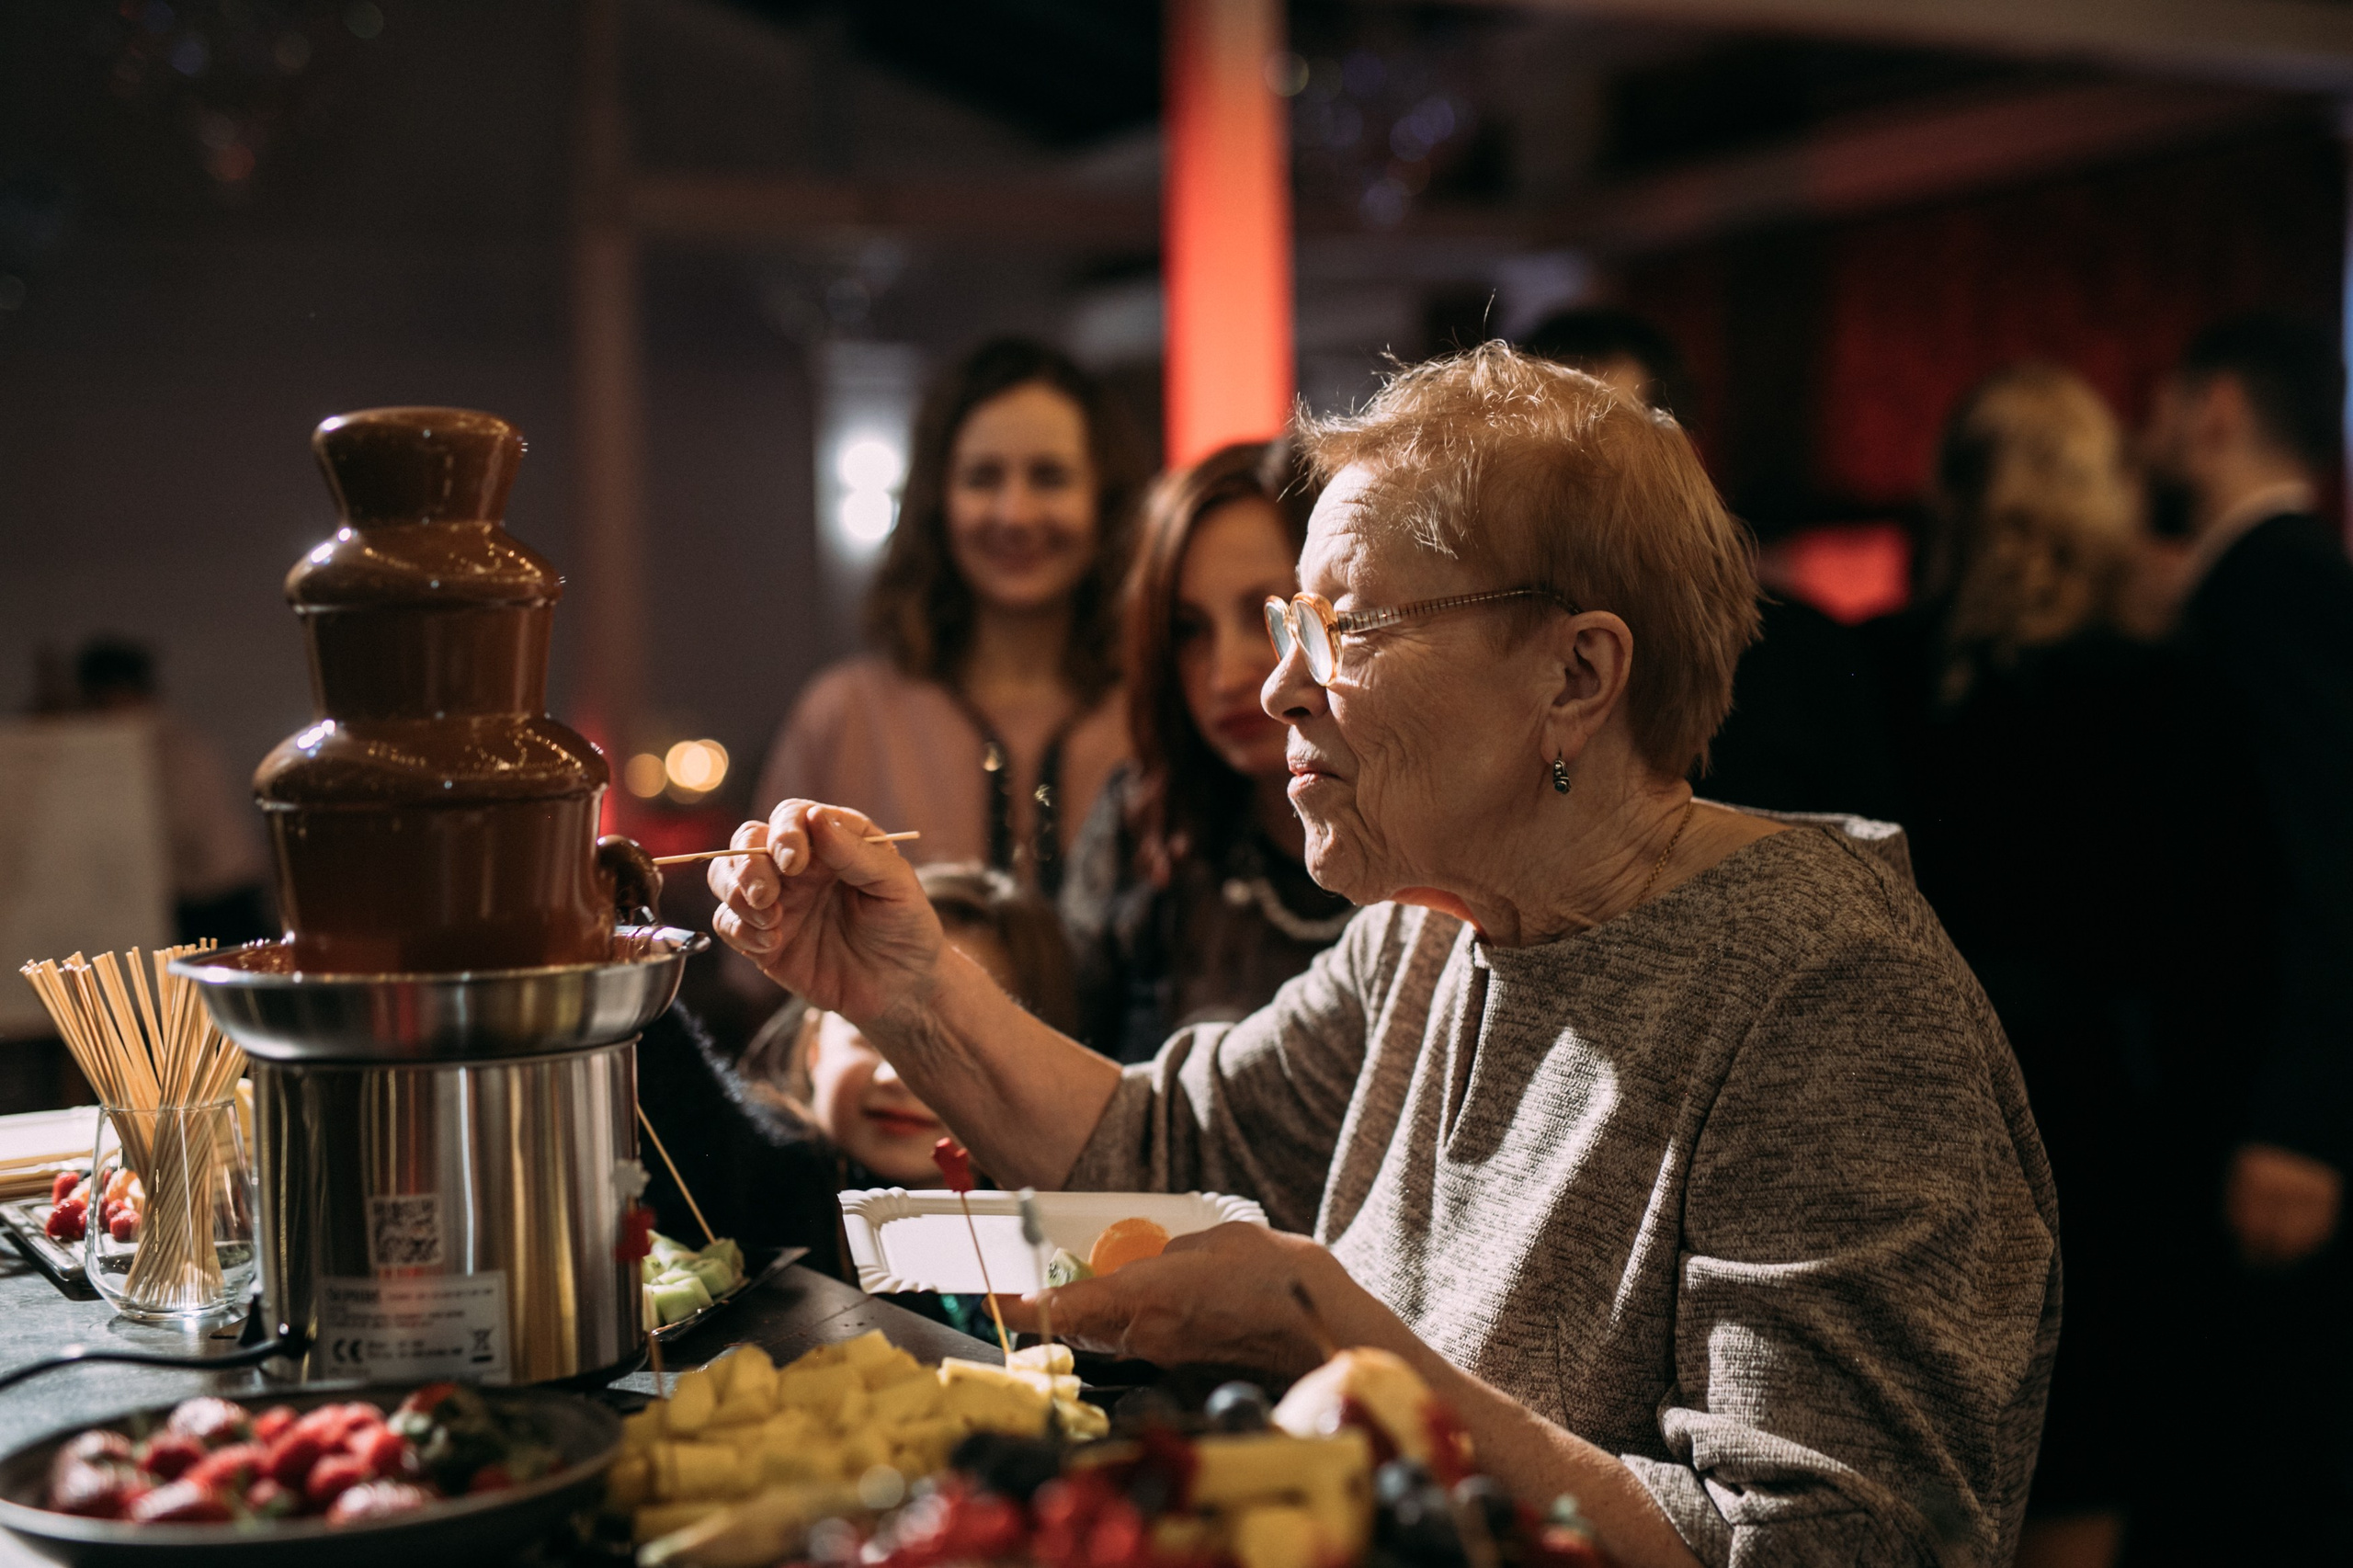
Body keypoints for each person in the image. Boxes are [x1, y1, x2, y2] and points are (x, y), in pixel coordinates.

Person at [712, 345, 2059, 1568]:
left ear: (1577, 678)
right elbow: (1167, 1148)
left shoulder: (1828, 999)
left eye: (1343, 627)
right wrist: (902, 984)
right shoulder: (1426, 927)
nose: (1278, 685)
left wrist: (1332, 1330)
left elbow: (1832, 1546)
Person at [1866, 367, 2226, 1568]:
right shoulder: (2162, 687)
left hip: (1908, 1093)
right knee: (2084, 1436)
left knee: (1917, 1442)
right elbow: (2197, 940)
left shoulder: (1879, 675)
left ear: (1953, 498)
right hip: (2094, 1110)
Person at [2131, 313, 2353, 1567]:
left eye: (2160, 407)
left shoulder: (2282, 582)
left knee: (2267, 1479)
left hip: (2268, 1104)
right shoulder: (2257, 578)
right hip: (2238, 1082)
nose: (2145, 437)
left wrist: (2302, 1120)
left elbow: (2332, 860)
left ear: (2212, 409)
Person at [756, 338, 1146, 894]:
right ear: (936, 502)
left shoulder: (1154, 715)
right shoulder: (842, 719)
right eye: (983, 478)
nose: (1015, 514)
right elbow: (770, 968)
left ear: (1105, 500)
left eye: (1049, 477)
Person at [1519, 309, 1895, 819]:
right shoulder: (1483, 645)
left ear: (1679, 457)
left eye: (1603, 444)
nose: (1569, 479)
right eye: (1534, 449)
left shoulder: (1801, 655)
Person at [634, 864, 1076, 1278]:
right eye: (873, 1032)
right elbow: (681, 1101)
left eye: (953, 1043)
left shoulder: (1055, 1232)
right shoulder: (775, 1182)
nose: (895, 1076)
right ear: (815, 1047)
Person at [1060, 440, 1354, 1062]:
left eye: (1266, 615)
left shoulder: (1436, 836)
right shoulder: (1144, 826)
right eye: (1190, 631)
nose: (1225, 675)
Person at [74, 637, 273, 944]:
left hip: (214, 890)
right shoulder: (164, 734)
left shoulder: (154, 742)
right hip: (216, 884)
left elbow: (186, 825)